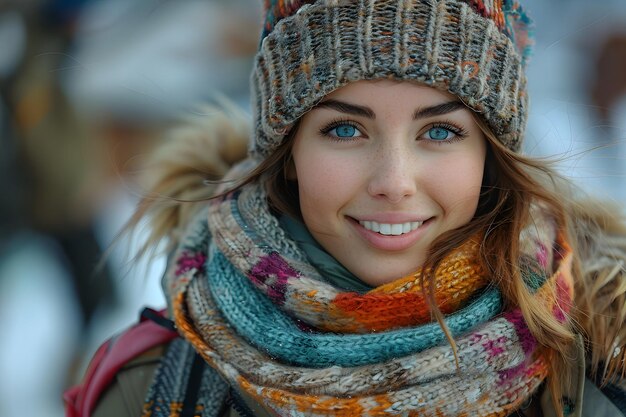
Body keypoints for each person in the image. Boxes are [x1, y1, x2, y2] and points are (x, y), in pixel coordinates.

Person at [65, 1, 626, 416]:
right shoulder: (156, 390)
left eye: (438, 130)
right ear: (288, 155)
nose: (394, 182)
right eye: (345, 128)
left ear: (489, 155)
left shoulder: (601, 366)